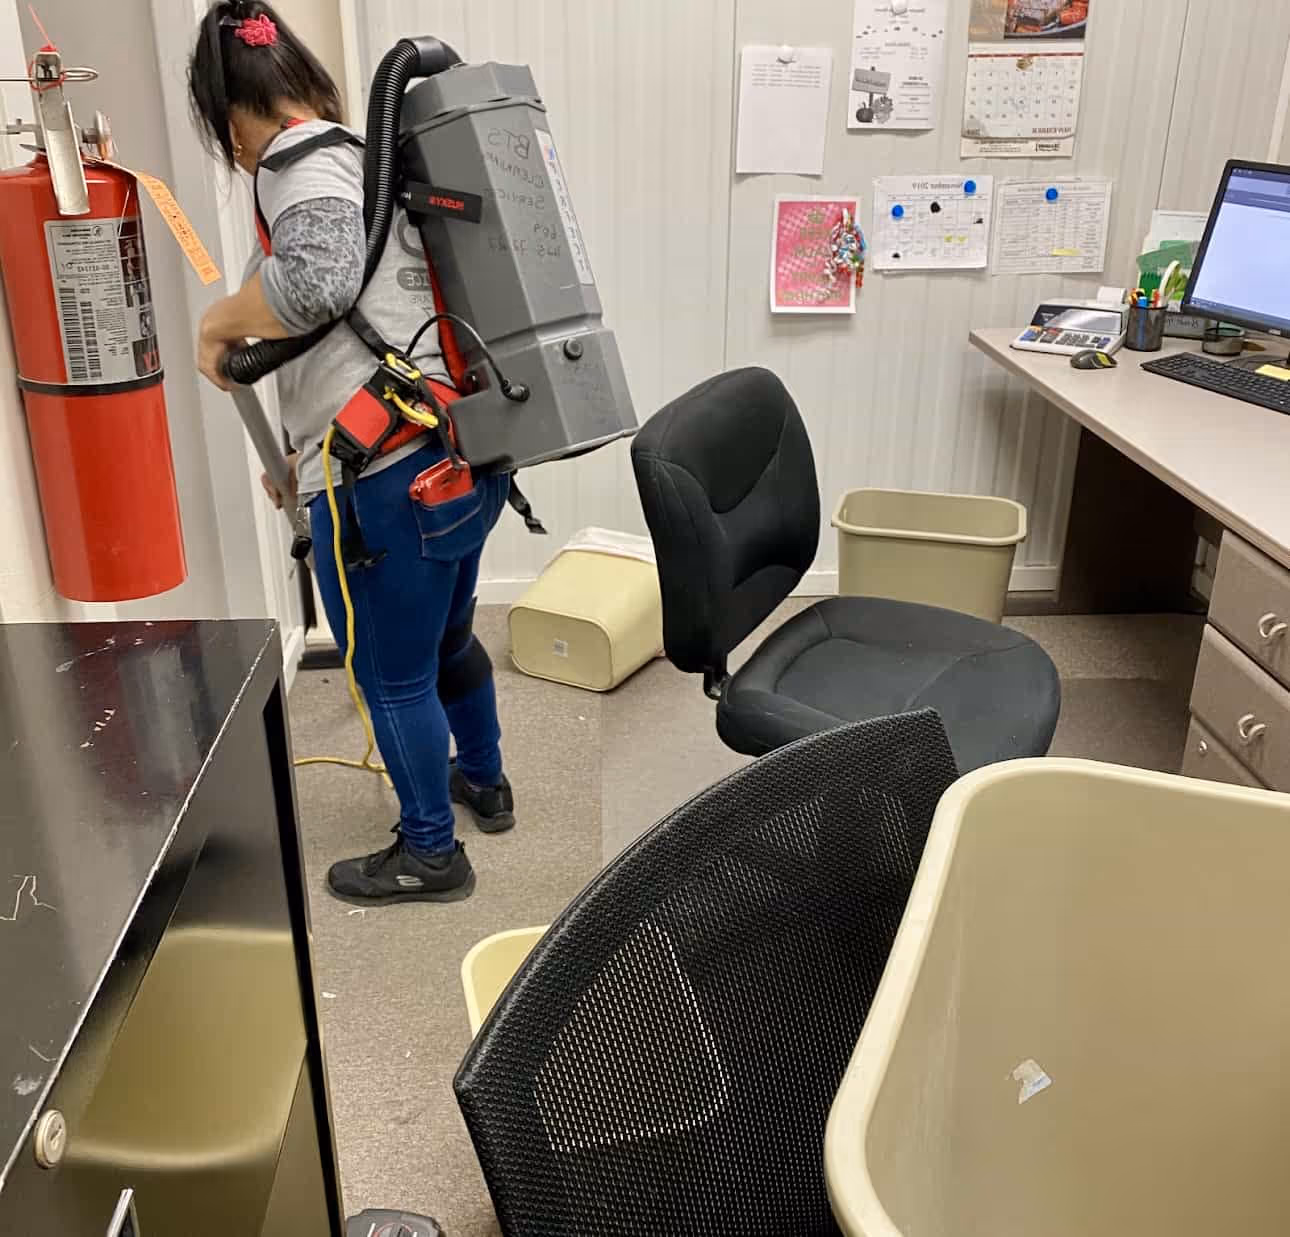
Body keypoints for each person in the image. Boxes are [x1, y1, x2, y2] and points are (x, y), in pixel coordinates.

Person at [188, 0, 515, 907]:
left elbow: (319, 283)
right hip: (457, 448)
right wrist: (302, 458)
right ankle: (484, 781)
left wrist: (214, 324)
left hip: (387, 481)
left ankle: (431, 853)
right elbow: (351, 317)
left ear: (229, 114)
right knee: (449, 642)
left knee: (389, 670)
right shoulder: (371, 159)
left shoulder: (296, 165)